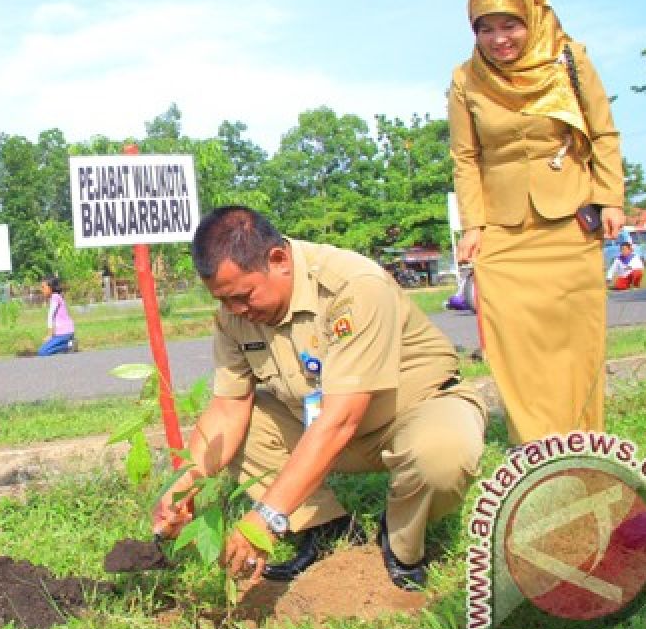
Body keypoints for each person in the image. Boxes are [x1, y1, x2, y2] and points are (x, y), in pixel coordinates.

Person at [152, 207, 486, 590]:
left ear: (278, 260)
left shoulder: (353, 285)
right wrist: (183, 486)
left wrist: (266, 518)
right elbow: (228, 410)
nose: (235, 311)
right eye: (224, 300)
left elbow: (340, 418)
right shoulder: (233, 315)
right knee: (244, 428)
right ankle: (325, 529)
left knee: (443, 455)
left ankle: (400, 540)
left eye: (243, 297)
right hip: (328, 430)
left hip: (413, 410)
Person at [449, 0, 624, 445]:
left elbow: (604, 132)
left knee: (575, 336)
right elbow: (466, 157)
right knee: (514, 344)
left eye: (510, 25)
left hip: (571, 219)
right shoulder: (466, 79)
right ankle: (536, 444)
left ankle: (585, 438)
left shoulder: (570, 59)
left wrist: (610, 197)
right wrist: (473, 226)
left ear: (532, 18)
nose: (499, 39)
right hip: (502, 231)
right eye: (485, 28)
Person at [37, 276, 76, 355]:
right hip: (62, 333)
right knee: (44, 351)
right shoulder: (56, 297)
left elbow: (50, 315)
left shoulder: (55, 297)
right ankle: (67, 345)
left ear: (51, 287)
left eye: (43, 287)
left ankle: (68, 345)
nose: (42, 290)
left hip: (64, 333)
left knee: (42, 352)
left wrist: (49, 335)